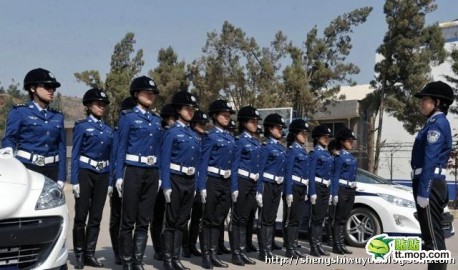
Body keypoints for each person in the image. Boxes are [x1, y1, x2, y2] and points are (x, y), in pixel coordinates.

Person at [116, 76, 162, 270]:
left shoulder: (156, 120)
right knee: (128, 220)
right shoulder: (128, 117)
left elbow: (158, 149)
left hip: (151, 172)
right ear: (136, 94)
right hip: (133, 171)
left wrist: (158, 174)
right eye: (146, 92)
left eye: (152, 93)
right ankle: (126, 261)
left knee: (144, 220)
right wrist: (119, 175)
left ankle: (137, 261)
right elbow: (121, 148)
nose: (150, 95)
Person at [412, 81, 453, 270]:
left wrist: (424, 190)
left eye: (425, 100)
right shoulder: (432, 122)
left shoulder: (437, 124)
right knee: (431, 237)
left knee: (433, 240)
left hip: (430, 182)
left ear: (437, 102)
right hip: (430, 181)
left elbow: (430, 158)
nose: (421, 103)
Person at [1, 68, 66, 188]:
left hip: (52, 170)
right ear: (32, 88)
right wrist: (7, 148)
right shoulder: (20, 111)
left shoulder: (58, 116)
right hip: (28, 168)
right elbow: (10, 137)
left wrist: (61, 177)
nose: (51, 90)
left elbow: (61, 148)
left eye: (53, 88)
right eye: (47, 87)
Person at [71, 88, 113, 268]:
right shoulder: (82, 126)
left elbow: (112, 157)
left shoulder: (109, 130)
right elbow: (75, 154)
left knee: (96, 216)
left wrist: (111, 180)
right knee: (81, 215)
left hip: (103, 175)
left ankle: (90, 253)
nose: (101, 107)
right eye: (98, 104)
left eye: (104, 105)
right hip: (85, 172)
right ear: (89, 106)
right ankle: (79, 254)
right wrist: (74, 180)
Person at [161, 90, 200, 270]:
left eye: (192, 109)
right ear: (178, 109)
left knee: (182, 220)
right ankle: (168, 259)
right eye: (187, 108)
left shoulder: (194, 135)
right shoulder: (171, 132)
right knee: (171, 221)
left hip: (190, 180)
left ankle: (176, 258)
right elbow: (165, 160)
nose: (191, 112)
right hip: (175, 179)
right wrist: (166, 185)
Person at [197, 99, 236, 269]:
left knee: (218, 219)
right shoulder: (210, 137)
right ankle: (206, 255)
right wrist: (202, 186)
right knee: (209, 219)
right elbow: (202, 163)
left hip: (226, 182)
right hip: (212, 180)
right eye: (224, 114)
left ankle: (213, 253)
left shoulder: (230, 138)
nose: (227, 117)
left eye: (229, 115)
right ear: (214, 116)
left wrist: (234, 187)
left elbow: (234, 165)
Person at [229, 105, 262, 266]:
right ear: (243, 123)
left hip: (252, 183)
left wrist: (259, 189)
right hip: (242, 181)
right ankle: (236, 253)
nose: (256, 123)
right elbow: (234, 166)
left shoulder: (256, 142)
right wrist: (234, 187)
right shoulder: (240, 141)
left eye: (257, 121)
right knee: (237, 219)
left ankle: (242, 251)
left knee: (245, 219)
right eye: (252, 121)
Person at [256, 113, 287, 261]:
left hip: (277, 185)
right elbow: (260, 169)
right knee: (265, 219)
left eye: (281, 128)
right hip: (267, 185)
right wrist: (259, 190)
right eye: (278, 128)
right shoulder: (265, 146)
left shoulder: (281, 148)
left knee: (272, 218)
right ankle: (264, 251)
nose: (281, 130)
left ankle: (269, 249)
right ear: (269, 129)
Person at [109, 97, 136, 266]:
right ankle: (118, 251)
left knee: (131, 218)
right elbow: (112, 159)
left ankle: (129, 251)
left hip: (132, 178)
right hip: (116, 179)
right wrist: (111, 182)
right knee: (117, 218)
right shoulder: (114, 134)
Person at [282, 119, 315, 258]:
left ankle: (294, 245)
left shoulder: (302, 150)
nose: (305, 135)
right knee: (292, 219)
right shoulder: (292, 150)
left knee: (297, 219)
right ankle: (290, 248)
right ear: (295, 134)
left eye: (306, 133)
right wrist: (288, 191)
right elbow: (288, 172)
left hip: (302, 187)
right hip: (294, 187)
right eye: (302, 133)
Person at [182, 110, 209, 258]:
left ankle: (192, 245)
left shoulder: (205, 138)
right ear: (192, 124)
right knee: (184, 216)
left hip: (201, 182)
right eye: (200, 124)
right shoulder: (188, 136)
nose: (203, 126)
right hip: (187, 179)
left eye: (204, 124)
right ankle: (184, 246)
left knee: (197, 216)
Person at [151, 103, 176, 261]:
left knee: (173, 218)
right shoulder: (161, 133)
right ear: (167, 119)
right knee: (158, 217)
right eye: (174, 118)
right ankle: (159, 248)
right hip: (159, 178)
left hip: (174, 178)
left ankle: (171, 249)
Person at [331, 128, 357, 255]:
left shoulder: (351, 157)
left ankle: (342, 244)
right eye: (349, 141)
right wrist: (334, 193)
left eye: (352, 141)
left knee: (344, 218)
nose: (352, 143)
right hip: (341, 189)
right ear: (342, 142)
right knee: (339, 218)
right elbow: (335, 176)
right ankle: (337, 245)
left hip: (350, 189)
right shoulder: (339, 157)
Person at [308, 124, 333, 257]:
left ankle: (319, 245)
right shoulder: (314, 153)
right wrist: (312, 192)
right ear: (317, 138)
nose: (326, 139)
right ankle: (314, 246)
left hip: (325, 187)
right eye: (324, 137)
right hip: (317, 187)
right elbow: (311, 174)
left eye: (327, 137)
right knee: (316, 218)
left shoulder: (327, 154)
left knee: (321, 219)